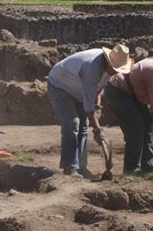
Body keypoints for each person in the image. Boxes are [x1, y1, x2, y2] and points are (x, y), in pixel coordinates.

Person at [47, 44, 132, 177]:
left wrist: (97, 104)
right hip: (60, 86)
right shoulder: (91, 68)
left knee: (83, 126)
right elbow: (88, 107)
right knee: (73, 123)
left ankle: (81, 167)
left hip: (78, 90)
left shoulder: (109, 70)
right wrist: (98, 130)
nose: (116, 72)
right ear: (107, 60)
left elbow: (97, 89)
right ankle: (70, 167)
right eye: (115, 68)